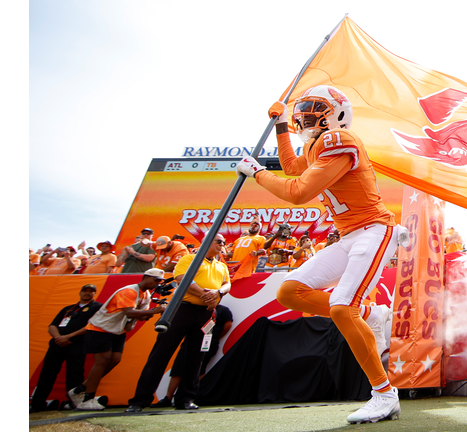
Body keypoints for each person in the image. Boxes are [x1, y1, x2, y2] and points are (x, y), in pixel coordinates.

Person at [236, 85, 407, 424]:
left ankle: (384, 395)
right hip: (348, 236)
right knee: (289, 291)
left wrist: (256, 172)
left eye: (316, 106)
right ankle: (373, 314)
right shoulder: (316, 146)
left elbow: (298, 192)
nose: (307, 112)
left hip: (374, 229)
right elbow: (291, 167)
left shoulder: (338, 140)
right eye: (304, 107)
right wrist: (281, 124)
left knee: (343, 307)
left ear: (338, 113)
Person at [126, 234, 231, 412]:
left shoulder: (222, 265)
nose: (222, 245)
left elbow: (227, 284)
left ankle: (185, 399)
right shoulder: (188, 258)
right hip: (182, 310)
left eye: (223, 243)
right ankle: (140, 401)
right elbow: (182, 279)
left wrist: (218, 292)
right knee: (160, 354)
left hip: (205, 314)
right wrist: (206, 295)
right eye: (219, 241)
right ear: (207, 242)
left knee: (196, 357)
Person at [67, 269, 167, 411]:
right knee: (102, 361)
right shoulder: (129, 291)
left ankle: (79, 390)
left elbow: (140, 316)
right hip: (101, 328)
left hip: (117, 330)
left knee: (114, 359)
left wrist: (155, 312)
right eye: (156, 280)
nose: (158, 283)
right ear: (145, 277)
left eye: (160, 281)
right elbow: (129, 312)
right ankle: (87, 398)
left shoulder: (146, 295)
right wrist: (153, 311)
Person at [30, 284, 102, 413]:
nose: (87, 293)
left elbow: (92, 325)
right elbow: (52, 326)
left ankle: (73, 403)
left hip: (77, 344)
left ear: (95, 294)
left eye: (91, 291)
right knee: (47, 373)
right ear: (80, 293)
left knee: (74, 374)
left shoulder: (97, 307)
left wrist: (69, 336)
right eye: (85, 291)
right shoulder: (68, 309)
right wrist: (59, 338)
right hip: (57, 344)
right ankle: (37, 404)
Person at [150, 304, 234, 408]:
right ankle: (168, 398)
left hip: (207, 343)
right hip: (188, 342)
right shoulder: (192, 308)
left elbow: (227, 325)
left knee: (197, 369)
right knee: (178, 368)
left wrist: (215, 337)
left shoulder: (223, 310)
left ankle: (185, 397)